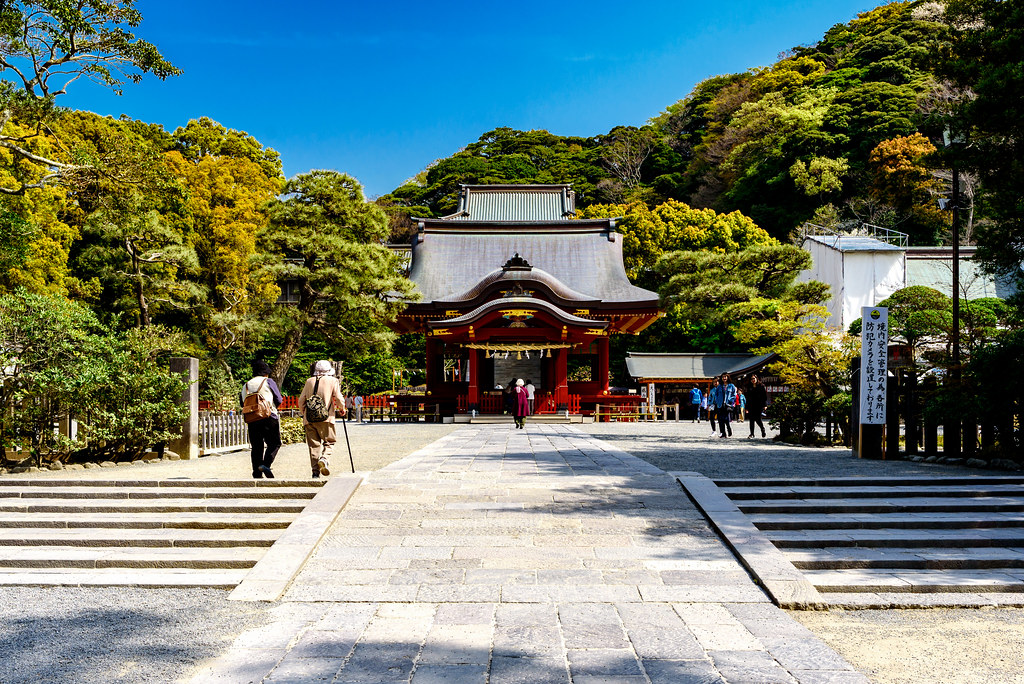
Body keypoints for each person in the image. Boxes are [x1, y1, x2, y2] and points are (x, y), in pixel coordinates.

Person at [298, 360, 346, 478]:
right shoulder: (333, 381)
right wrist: (342, 408)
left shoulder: (309, 381)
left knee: (313, 446)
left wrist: (304, 413)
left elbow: (301, 400)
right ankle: (324, 459)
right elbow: (338, 398)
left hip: (309, 419)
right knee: (330, 441)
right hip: (326, 417)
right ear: (328, 371)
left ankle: (315, 472)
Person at [240, 360, 283, 479]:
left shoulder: (246, 385)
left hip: (252, 418)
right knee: (274, 443)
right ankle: (265, 464)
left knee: (256, 446)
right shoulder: (268, 381)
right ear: (266, 373)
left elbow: (242, 403)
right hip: (268, 417)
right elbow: (279, 399)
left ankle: (257, 473)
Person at [713, 373, 737, 438]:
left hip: (727, 404)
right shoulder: (719, 386)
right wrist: (717, 401)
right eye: (723, 377)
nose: (724, 378)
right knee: (720, 419)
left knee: (726, 418)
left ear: (728, 377)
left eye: (725, 377)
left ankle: (729, 429)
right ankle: (723, 433)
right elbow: (716, 394)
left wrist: (730, 400)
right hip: (720, 404)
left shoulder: (731, 386)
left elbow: (734, 395)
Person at [746, 373, 768, 439]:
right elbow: (748, 397)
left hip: (759, 405)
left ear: (756, 378)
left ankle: (762, 429)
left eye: (754, 378)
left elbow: (764, 396)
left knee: (758, 419)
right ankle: (752, 433)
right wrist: (746, 407)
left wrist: (765, 405)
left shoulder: (761, 386)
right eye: (751, 379)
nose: (753, 380)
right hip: (751, 405)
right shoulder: (749, 387)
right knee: (751, 420)